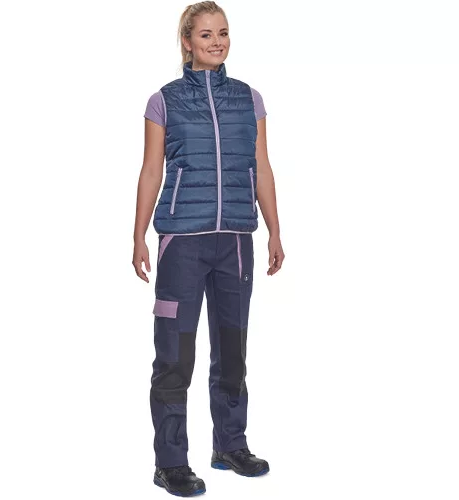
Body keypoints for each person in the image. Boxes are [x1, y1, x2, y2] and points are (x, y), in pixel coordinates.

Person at [133, 1, 285, 496]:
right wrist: (138, 235)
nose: (217, 42)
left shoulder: (249, 99)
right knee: (174, 355)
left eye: (223, 32)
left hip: (236, 241)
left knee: (232, 351)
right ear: (187, 42)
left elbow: (262, 166)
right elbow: (151, 170)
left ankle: (230, 446)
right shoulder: (164, 101)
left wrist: (274, 229)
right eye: (206, 34)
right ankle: (171, 463)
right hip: (181, 243)